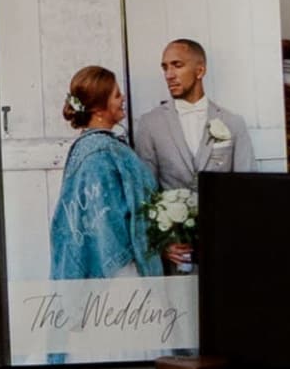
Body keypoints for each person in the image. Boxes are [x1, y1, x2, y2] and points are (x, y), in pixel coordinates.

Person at [47, 65, 161, 279]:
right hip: (119, 273)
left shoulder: (98, 146)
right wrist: (128, 272)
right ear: (99, 109)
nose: (123, 98)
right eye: (117, 95)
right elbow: (106, 222)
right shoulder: (99, 152)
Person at [131, 36, 249, 199]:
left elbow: (247, 188)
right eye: (165, 68)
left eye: (177, 65)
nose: (169, 75)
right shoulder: (150, 124)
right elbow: (145, 191)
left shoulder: (233, 123)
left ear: (200, 71)